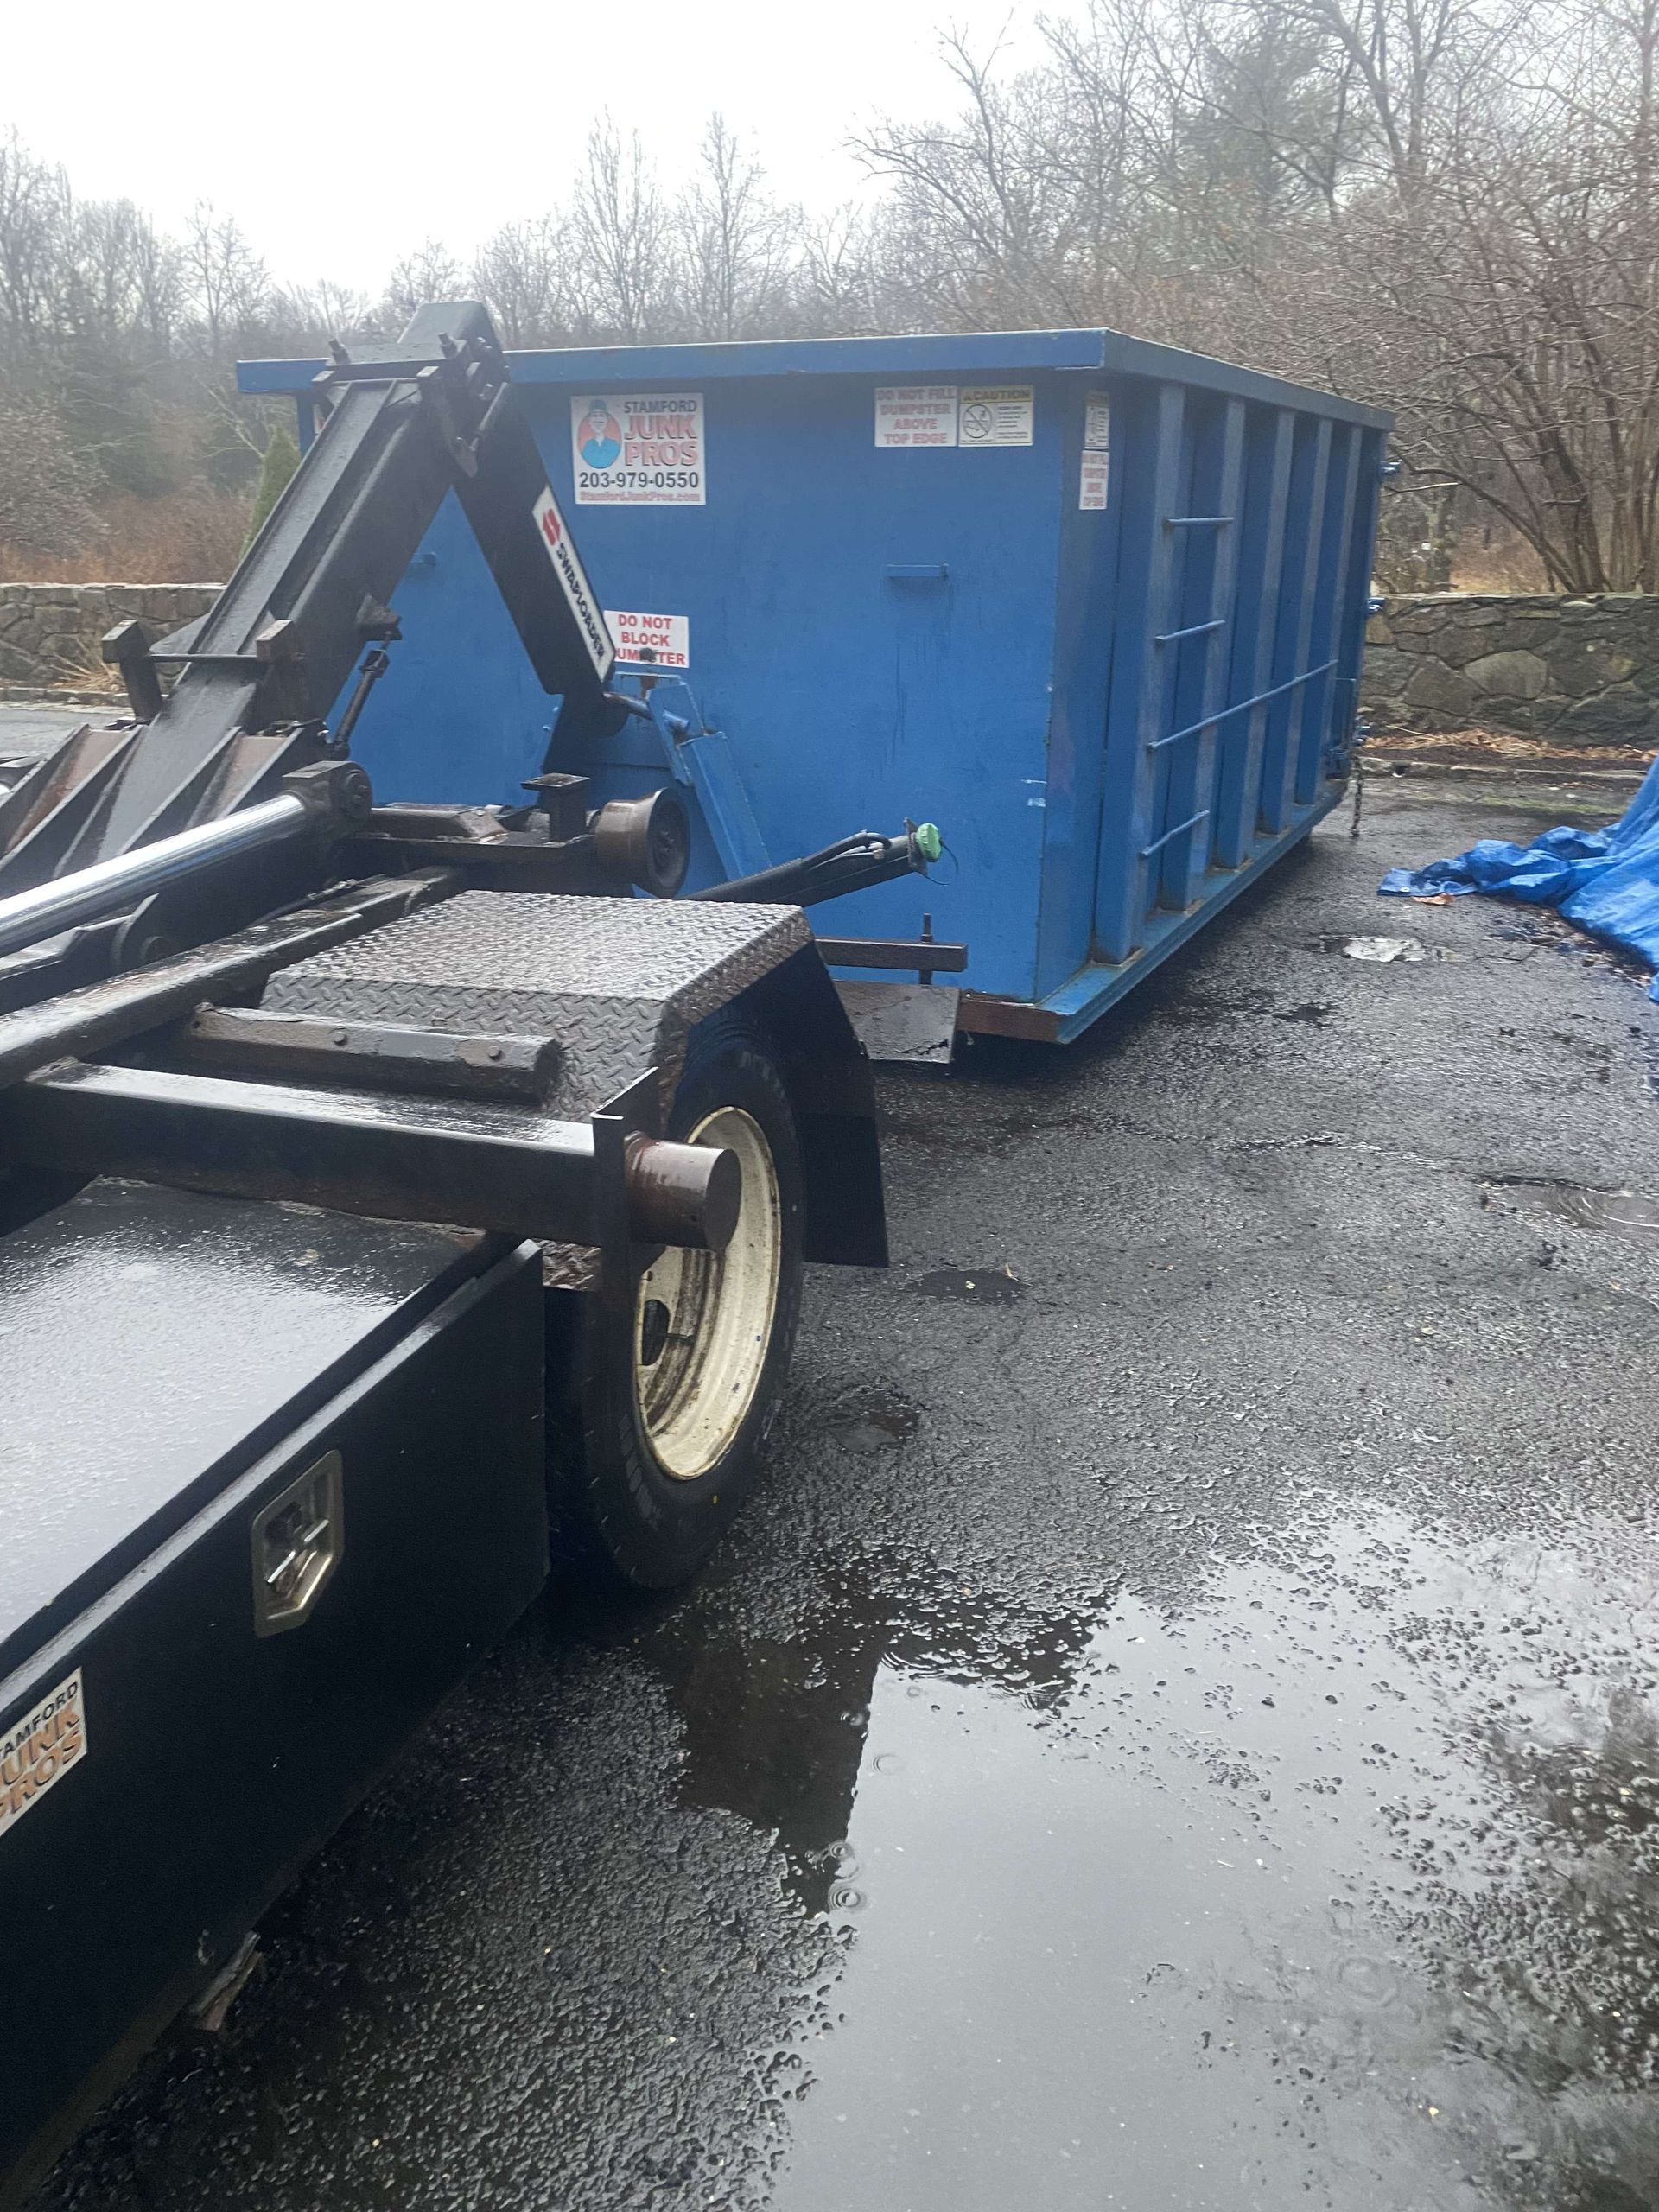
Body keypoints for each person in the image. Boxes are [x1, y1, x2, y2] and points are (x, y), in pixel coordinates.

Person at [578, 399, 622, 468]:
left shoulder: (614, 445)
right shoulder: (587, 446)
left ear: (607, 420)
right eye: (594, 415)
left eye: (601, 415)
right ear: (589, 421)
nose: (598, 419)